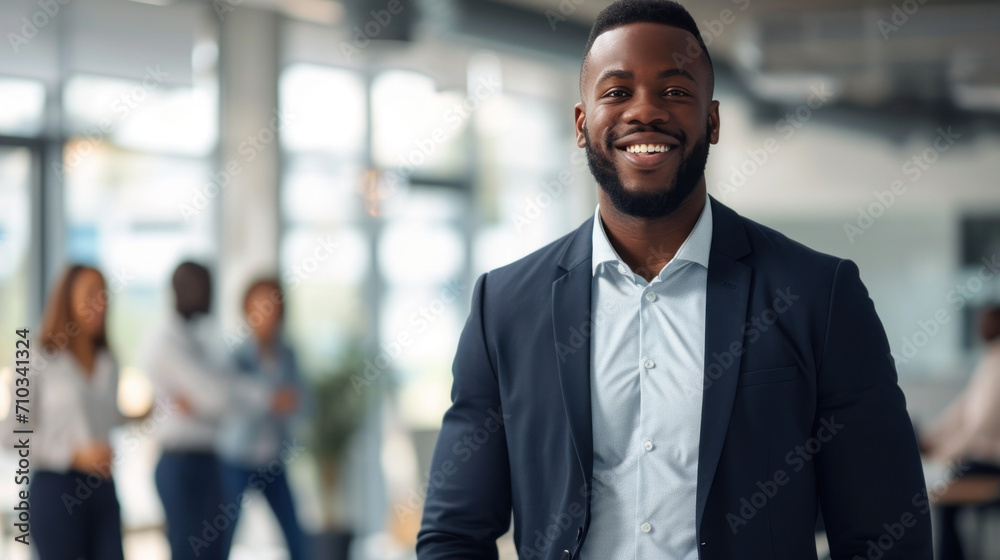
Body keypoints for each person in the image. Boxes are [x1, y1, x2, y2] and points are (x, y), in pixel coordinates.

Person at [417, 2, 932, 559]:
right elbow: (454, 534)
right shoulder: (506, 308)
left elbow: (887, 534)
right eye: (616, 92)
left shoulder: (817, 295)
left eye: (675, 92)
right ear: (581, 122)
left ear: (711, 121)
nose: (646, 112)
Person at [143, 262, 296, 560]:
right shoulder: (164, 340)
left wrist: (209, 398)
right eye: (203, 288)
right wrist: (263, 398)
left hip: (212, 459)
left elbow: (220, 391)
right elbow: (214, 395)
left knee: (215, 552)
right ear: (180, 291)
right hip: (181, 463)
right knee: (189, 551)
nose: (209, 296)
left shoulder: (202, 337)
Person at [25, 265, 126, 559]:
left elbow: (105, 417)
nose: (101, 303)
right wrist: (72, 454)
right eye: (91, 295)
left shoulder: (108, 359)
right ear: (67, 299)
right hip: (56, 488)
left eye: (104, 295)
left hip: (103, 488)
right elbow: (12, 434)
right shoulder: (35, 355)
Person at [217, 278, 307, 560]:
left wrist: (272, 399)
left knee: (297, 537)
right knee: (223, 534)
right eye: (259, 305)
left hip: (273, 458)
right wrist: (271, 398)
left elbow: (301, 400)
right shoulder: (237, 355)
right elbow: (231, 396)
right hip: (237, 457)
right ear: (247, 310)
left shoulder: (287, 354)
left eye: (272, 305)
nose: (266, 313)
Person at [921, 306, 1000, 560]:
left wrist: (943, 452)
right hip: (979, 456)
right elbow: (961, 410)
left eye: (988, 321)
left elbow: (978, 425)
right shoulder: (989, 359)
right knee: (945, 501)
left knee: (946, 497)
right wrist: (931, 437)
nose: (981, 327)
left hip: (991, 461)